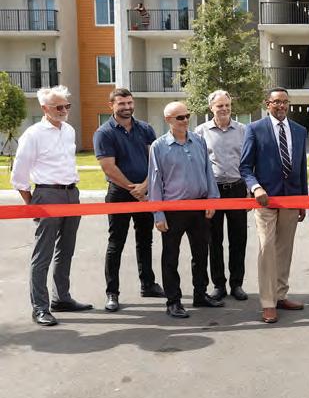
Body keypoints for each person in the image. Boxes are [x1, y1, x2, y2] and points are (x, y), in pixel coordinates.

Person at [12, 85, 92, 326]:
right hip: (47, 194)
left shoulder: (69, 130)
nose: (64, 110)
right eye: (58, 107)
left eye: (67, 106)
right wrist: (33, 203)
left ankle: (62, 298)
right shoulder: (33, 134)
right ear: (44, 108)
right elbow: (19, 175)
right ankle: (40, 308)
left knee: (66, 249)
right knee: (43, 254)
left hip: (71, 194)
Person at [148, 101, 223, 318]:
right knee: (170, 257)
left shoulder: (198, 140)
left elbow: (208, 171)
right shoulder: (158, 146)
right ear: (168, 120)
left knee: (201, 253)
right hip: (173, 210)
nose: (185, 120)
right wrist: (158, 214)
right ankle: (173, 301)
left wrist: (212, 200)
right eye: (180, 117)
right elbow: (155, 182)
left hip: (199, 207)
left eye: (187, 115)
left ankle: (200, 294)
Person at [240, 87, 308, 324]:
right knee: (267, 248)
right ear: (267, 104)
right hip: (265, 200)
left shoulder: (299, 130)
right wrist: (256, 187)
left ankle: (280, 295)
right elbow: (245, 167)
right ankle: (268, 303)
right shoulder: (254, 129)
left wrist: (303, 201)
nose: (281, 106)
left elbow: (301, 167)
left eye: (285, 102)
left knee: (284, 249)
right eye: (276, 102)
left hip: (291, 199)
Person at [94, 87, 163, 313]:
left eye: (129, 103)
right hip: (119, 194)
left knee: (145, 240)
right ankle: (112, 293)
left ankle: (148, 285)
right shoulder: (104, 133)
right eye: (121, 103)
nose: (127, 107)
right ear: (111, 106)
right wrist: (134, 190)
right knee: (116, 243)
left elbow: (154, 160)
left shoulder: (145, 129)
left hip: (145, 191)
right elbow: (109, 167)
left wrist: (145, 186)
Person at [195, 90, 249, 302]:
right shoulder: (200, 132)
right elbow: (199, 164)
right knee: (214, 240)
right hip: (213, 191)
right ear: (211, 108)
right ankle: (219, 285)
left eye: (227, 105)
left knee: (238, 240)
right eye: (220, 106)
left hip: (237, 189)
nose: (224, 109)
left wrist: (249, 190)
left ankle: (237, 284)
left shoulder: (243, 130)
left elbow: (249, 161)